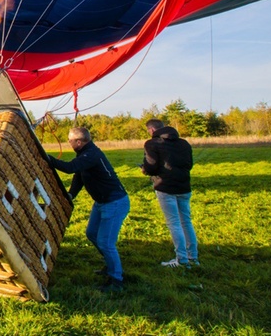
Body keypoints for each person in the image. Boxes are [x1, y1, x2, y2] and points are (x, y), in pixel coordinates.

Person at [47, 127, 130, 292]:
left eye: (70, 141)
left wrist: (48, 159)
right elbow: (79, 176)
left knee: (106, 242)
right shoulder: (85, 155)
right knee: (92, 234)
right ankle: (111, 265)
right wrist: (71, 194)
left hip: (114, 202)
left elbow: (70, 168)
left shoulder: (91, 154)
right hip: (101, 202)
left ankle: (116, 280)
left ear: (78, 141)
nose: (69, 143)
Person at [142, 119, 199, 268]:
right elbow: (189, 164)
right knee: (186, 221)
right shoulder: (184, 143)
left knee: (174, 223)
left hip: (165, 187)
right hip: (184, 186)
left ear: (152, 130)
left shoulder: (152, 144)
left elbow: (151, 167)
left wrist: (144, 169)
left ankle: (181, 259)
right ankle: (193, 256)